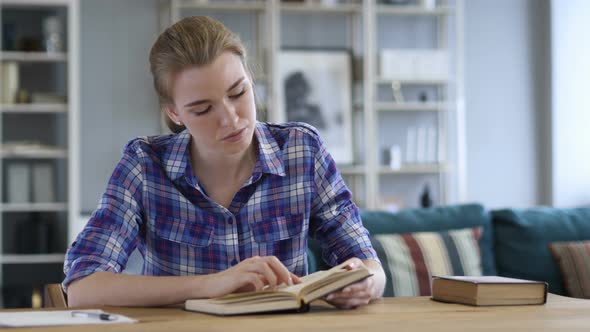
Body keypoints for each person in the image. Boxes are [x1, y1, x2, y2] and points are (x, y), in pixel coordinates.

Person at [63, 16, 385, 309]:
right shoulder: (145, 166)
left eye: (238, 93)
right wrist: (212, 285)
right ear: (174, 113)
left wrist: (365, 282)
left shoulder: (303, 150)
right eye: (203, 110)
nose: (230, 119)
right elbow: (83, 287)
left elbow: (370, 266)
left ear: (250, 78)